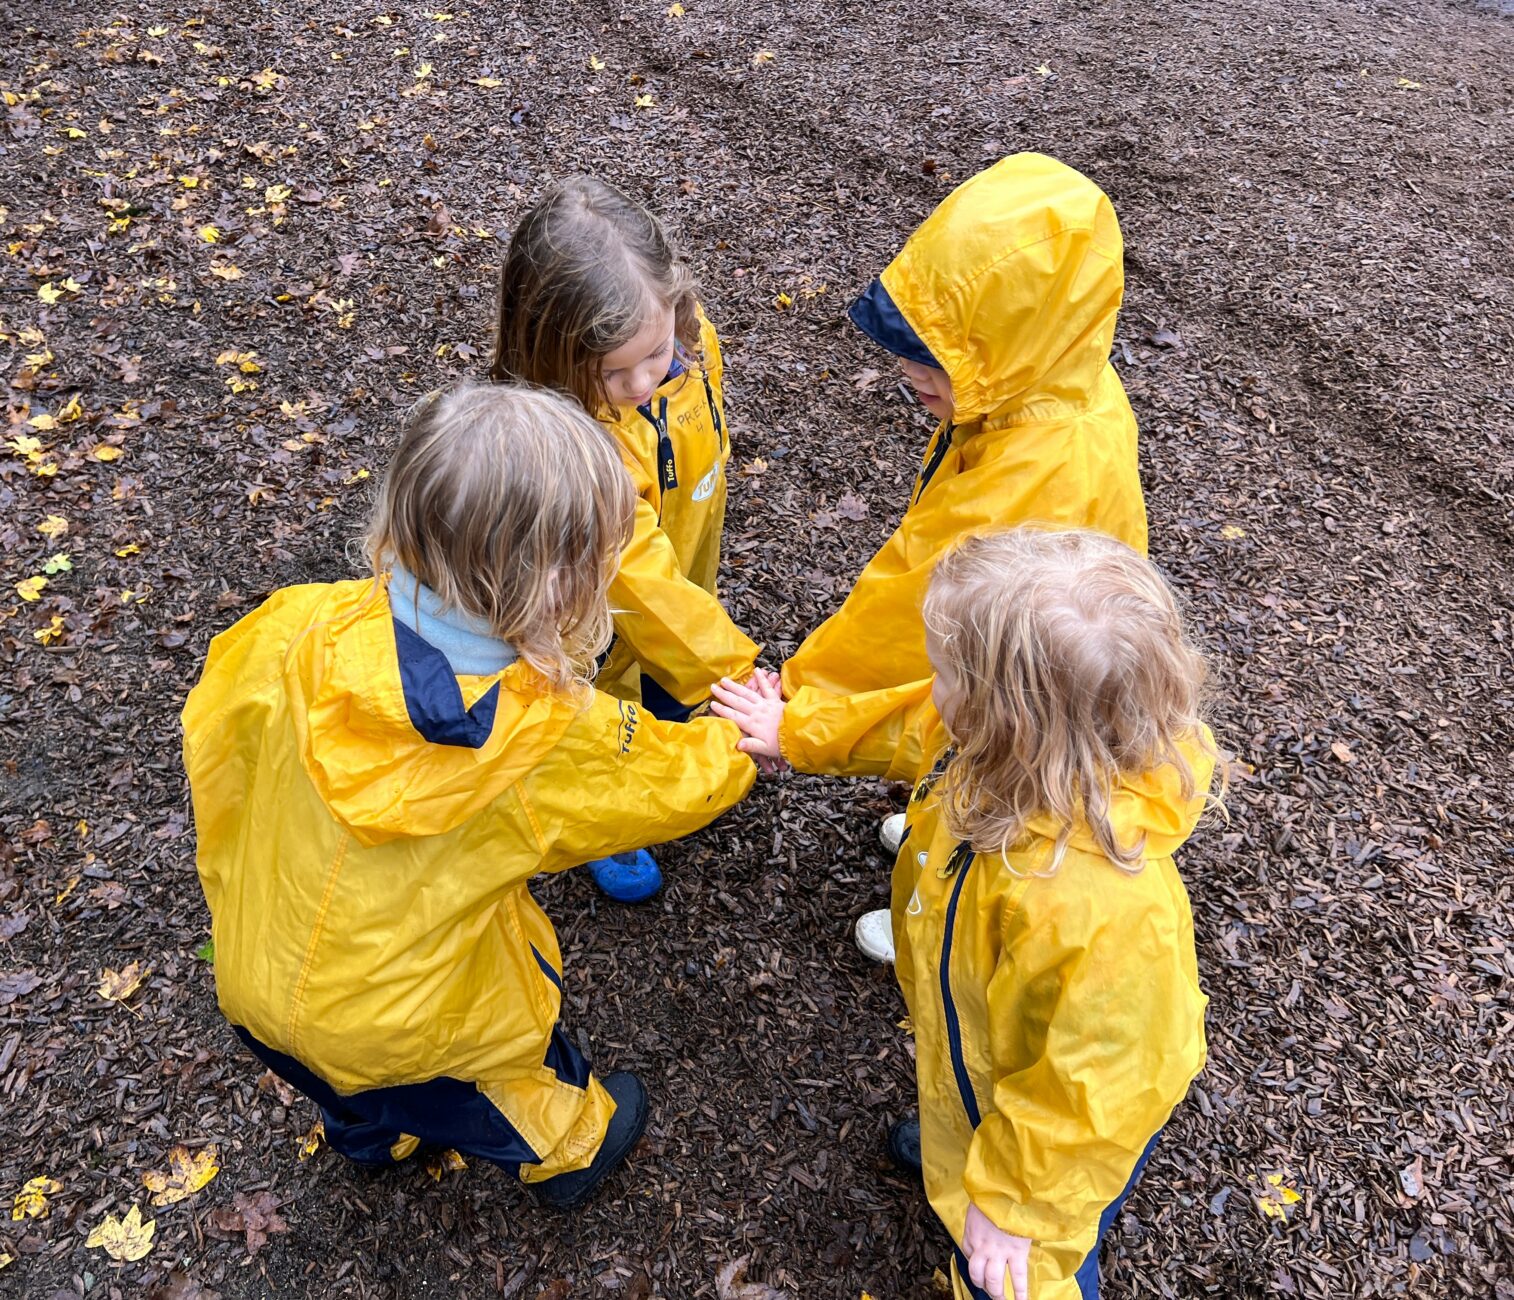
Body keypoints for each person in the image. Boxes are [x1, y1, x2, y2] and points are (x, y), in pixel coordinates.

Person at [183, 383, 755, 1209]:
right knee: (509, 1080)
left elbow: (219, 748)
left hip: (254, 971)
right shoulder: (534, 736)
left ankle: (371, 1139)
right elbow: (666, 782)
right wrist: (742, 743)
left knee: (343, 1085)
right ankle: (573, 1151)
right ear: (557, 582)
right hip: (408, 1026)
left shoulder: (292, 626)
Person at [713, 528, 1217, 1299]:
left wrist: (1015, 1202)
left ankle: (997, 1199)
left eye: (943, 674)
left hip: (1052, 1156)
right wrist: (799, 734)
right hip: (983, 1058)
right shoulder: (996, 757)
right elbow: (905, 730)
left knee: (1018, 1278)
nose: (930, 687)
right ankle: (968, 1147)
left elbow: (1103, 1090)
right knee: (971, 1099)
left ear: (1003, 717)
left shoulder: (1108, 912)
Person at [777, 154, 1149, 961]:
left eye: (939, 355)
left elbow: (917, 599)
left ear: (1009, 342)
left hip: (1031, 683)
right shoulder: (1055, 381)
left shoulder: (1039, 465)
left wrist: (801, 708)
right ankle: (934, 831)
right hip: (1059, 657)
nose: (908, 372)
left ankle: (932, 921)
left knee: (994, 776)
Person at [492, 176, 760, 903]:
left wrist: (703, 649)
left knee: (672, 696)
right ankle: (614, 814)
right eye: (616, 371)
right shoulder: (578, 450)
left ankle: (677, 756)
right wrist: (736, 672)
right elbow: (633, 570)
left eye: (659, 350)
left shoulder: (687, 345)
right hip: (603, 624)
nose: (646, 378)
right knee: (606, 714)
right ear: (553, 352)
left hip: (683, 584)